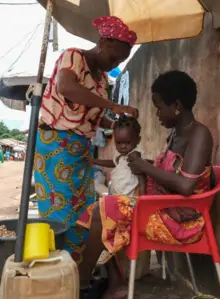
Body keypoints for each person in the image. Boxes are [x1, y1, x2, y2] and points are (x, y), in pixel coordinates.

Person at [77, 71, 214, 299]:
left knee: (104, 210)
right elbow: (172, 171)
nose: (157, 114)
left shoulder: (199, 134)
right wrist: (146, 164)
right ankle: (112, 283)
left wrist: (145, 167)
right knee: (96, 212)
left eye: (159, 108)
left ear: (177, 106)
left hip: (180, 222)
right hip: (159, 209)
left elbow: (185, 185)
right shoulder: (176, 135)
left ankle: (80, 282)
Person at [34, 15, 139, 268]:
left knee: (84, 210)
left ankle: (76, 270)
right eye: (114, 57)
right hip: (55, 145)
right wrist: (114, 105)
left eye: (121, 61)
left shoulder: (102, 80)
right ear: (103, 41)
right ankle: (55, 268)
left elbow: (93, 116)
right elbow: (67, 88)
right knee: (60, 210)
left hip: (81, 150)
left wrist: (116, 125)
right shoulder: (74, 57)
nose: (115, 63)